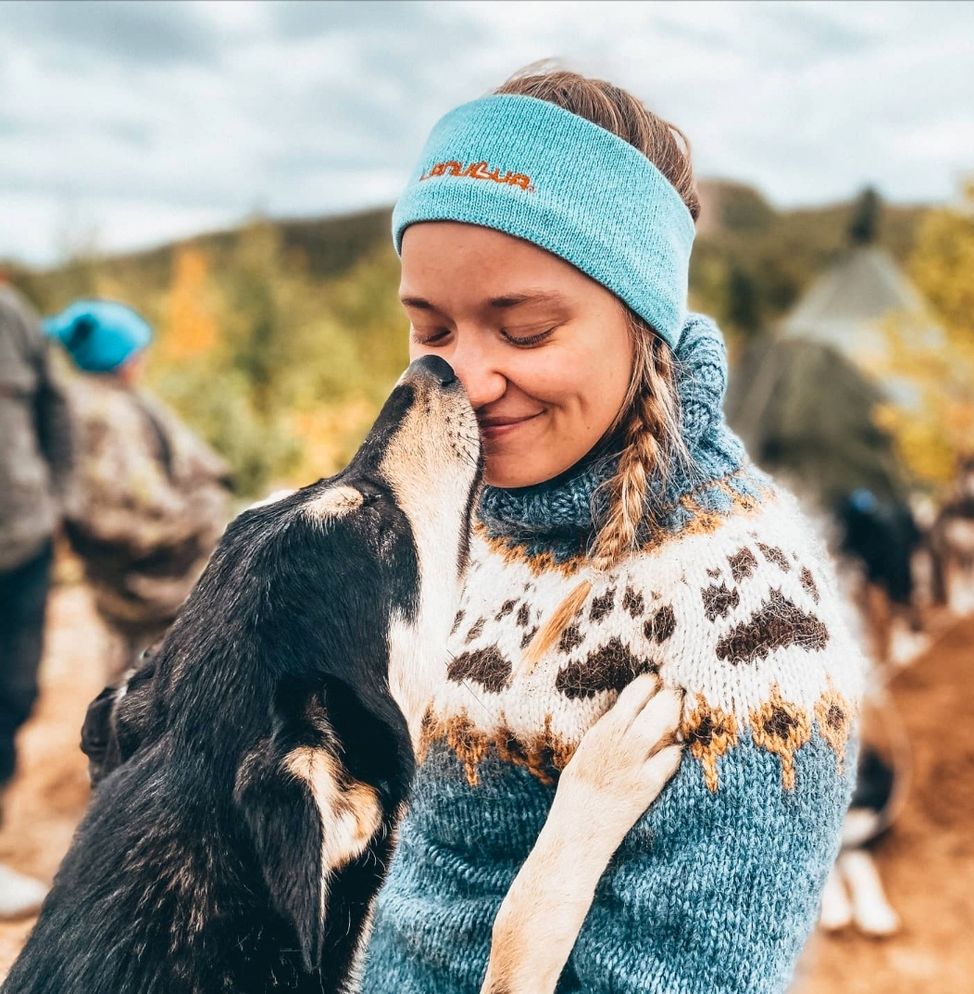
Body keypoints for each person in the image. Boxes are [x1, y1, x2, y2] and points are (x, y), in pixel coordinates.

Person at [357, 66, 867, 993]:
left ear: (643, 324)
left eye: (524, 332)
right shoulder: (450, 516)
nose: (462, 381)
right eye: (431, 330)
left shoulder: (745, 620)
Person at [44, 299, 232, 677]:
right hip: (155, 586)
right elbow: (129, 516)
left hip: (139, 584)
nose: (143, 359)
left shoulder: (102, 402)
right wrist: (205, 516)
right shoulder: (103, 416)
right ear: (120, 358)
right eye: (138, 351)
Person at [0, 281, 74, 918]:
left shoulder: (11, 312)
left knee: (13, 694)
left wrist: (56, 500)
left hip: (21, 542)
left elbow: (54, 409)